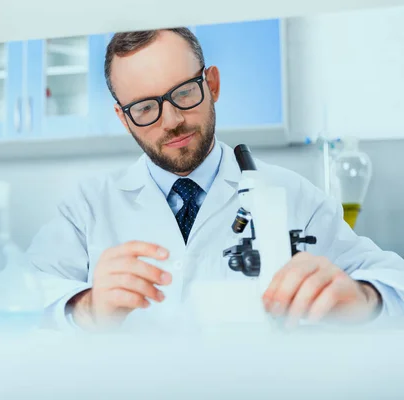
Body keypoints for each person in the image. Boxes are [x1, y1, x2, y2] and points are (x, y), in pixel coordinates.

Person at [25, 27, 404, 331]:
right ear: (123, 118)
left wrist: (364, 297)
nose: (171, 120)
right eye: (144, 108)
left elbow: (394, 282)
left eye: (185, 92)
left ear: (213, 84)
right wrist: (87, 306)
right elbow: (15, 303)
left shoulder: (292, 195)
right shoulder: (87, 208)